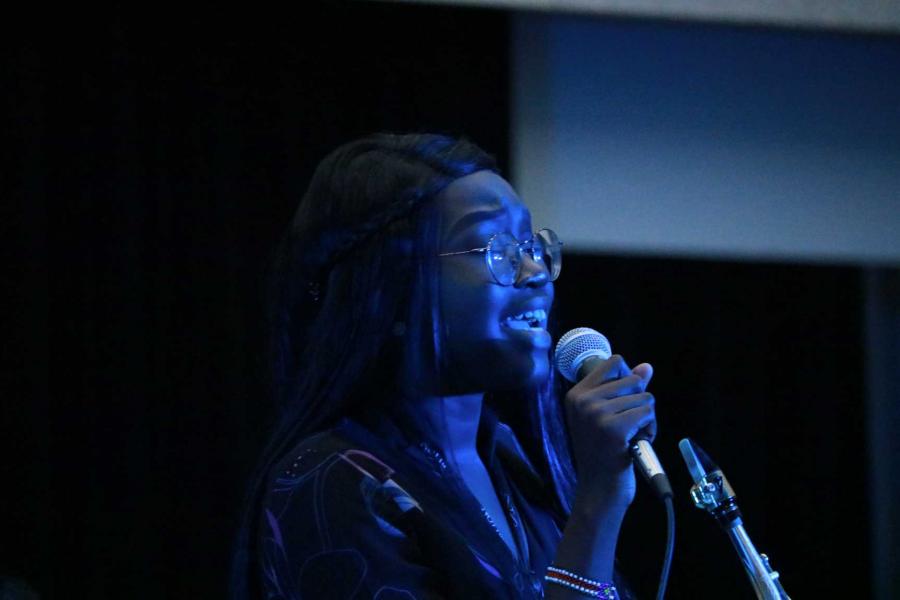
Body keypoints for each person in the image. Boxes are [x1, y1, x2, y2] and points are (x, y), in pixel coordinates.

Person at [231, 133, 657, 599]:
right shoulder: (333, 481)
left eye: (530, 245)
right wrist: (596, 505)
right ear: (389, 286)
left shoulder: (509, 460)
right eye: (494, 248)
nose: (535, 272)